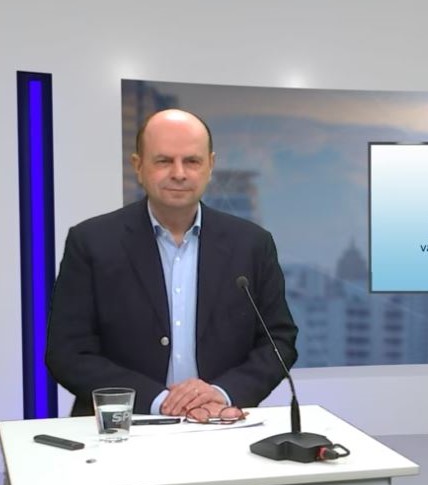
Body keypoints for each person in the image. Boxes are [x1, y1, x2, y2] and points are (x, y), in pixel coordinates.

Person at [47, 109, 298, 417]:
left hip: (220, 423)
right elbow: (68, 353)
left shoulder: (252, 244)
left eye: (192, 161)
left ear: (210, 166)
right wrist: (160, 401)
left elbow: (278, 342)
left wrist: (222, 393)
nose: (179, 173)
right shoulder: (92, 242)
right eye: (164, 161)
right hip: (121, 427)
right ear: (138, 166)